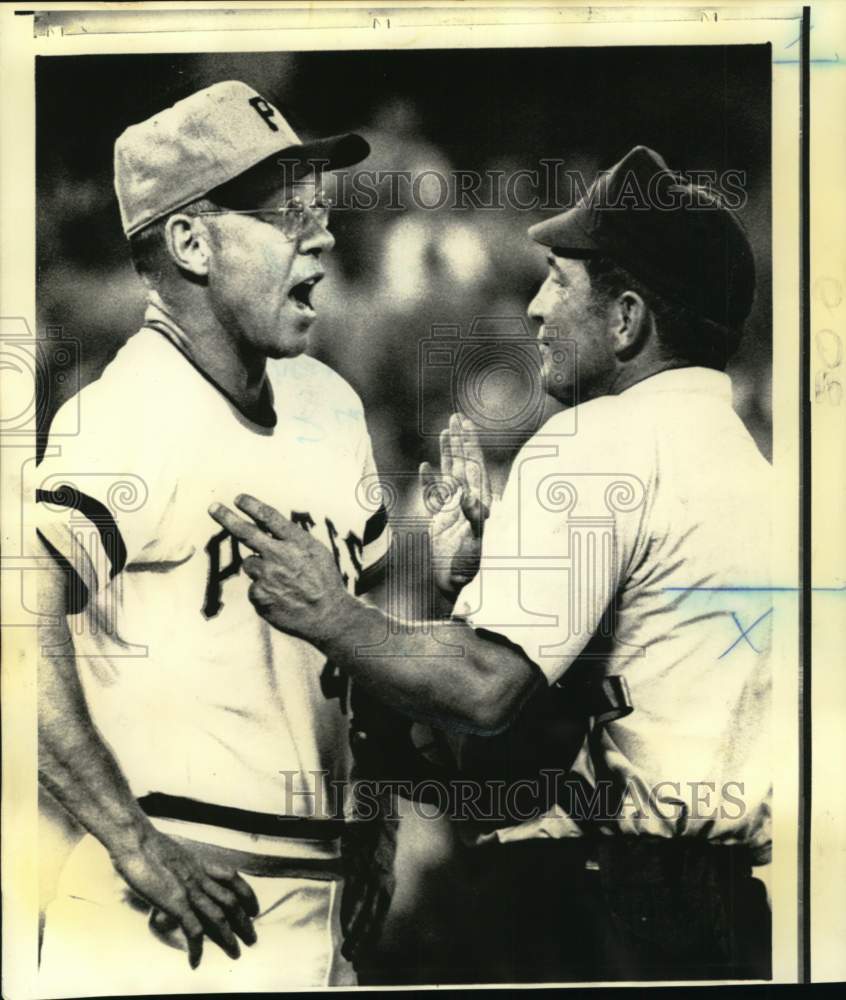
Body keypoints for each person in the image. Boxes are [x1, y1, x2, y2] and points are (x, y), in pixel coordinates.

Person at [210, 145, 773, 982]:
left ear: (626, 320)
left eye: (558, 279)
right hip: (727, 914)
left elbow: (485, 691)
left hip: (606, 912)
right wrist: (482, 582)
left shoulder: (599, 438)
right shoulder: (747, 460)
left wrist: (331, 611)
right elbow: (616, 692)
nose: (537, 307)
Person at [35, 80, 389, 993]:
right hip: (167, 919)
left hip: (319, 904)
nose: (322, 235)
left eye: (320, 206)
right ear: (192, 241)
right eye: (288, 214)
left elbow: (361, 654)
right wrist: (131, 841)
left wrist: (374, 818)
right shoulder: (123, 416)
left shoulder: (331, 404)